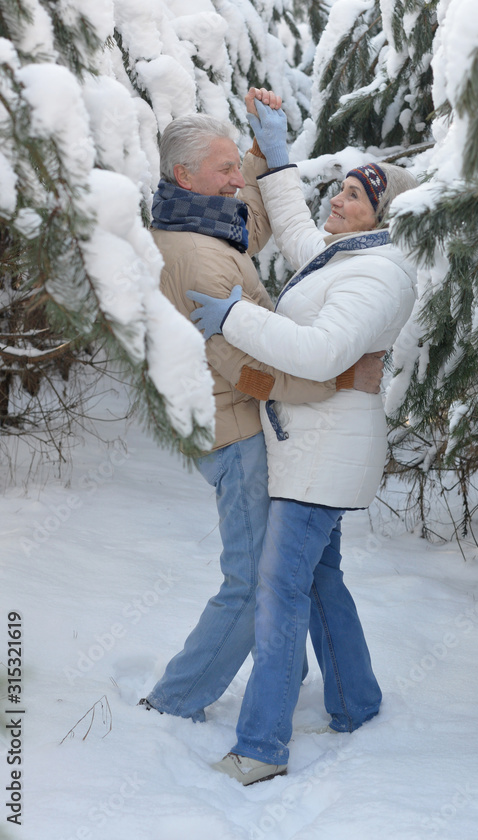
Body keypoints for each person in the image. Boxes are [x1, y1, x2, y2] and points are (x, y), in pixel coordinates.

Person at [188, 93, 418, 784]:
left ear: (383, 219)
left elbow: (317, 354)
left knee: (277, 587)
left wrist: (233, 320)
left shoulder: (380, 274)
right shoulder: (348, 257)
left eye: (355, 196)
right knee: (319, 579)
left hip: (322, 457)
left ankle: (261, 746)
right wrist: (278, 157)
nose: (339, 201)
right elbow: (295, 230)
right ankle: (355, 700)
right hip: (311, 445)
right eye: (343, 189)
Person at [140, 100, 384, 723]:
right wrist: (331, 380)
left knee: (290, 569)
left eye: (233, 168)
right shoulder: (198, 256)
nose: (233, 181)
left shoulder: (199, 219)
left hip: (240, 425)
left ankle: (291, 671)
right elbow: (244, 366)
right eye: (224, 169)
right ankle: (176, 700)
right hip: (237, 431)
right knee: (252, 585)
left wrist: (258, 151)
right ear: (186, 175)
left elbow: (248, 224)